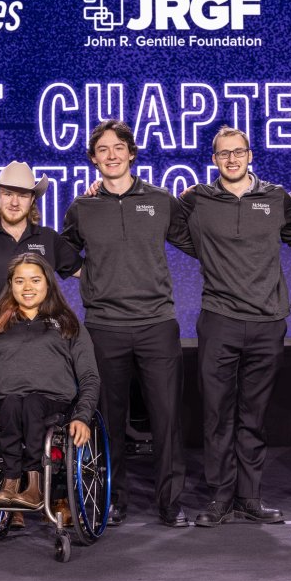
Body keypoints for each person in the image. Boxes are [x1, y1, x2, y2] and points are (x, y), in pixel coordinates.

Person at [62, 119, 194, 528]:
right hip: (105, 327)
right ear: (93, 158)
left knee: (166, 419)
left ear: (132, 153)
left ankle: (170, 502)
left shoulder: (160, 200)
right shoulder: (82, 207)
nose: (112, 155)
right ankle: (112, 498)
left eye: (119, 147)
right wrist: (92, 276)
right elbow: (63, 254)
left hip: (157, 324)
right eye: (103, 149)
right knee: (109, 420)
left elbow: (197, 240)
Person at [176, 126, 291, 528]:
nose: (231, 159)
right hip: (219, 320)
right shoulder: (196, 199)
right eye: (223, 153)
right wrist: (209, 253)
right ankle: (220, 497)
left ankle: (250, 497)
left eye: (238, 152)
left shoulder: (276, 197)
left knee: (253, 415)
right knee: (217, 414)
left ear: (250, 155)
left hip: (267, 322)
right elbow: (169, 226)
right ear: (214, 159)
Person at [0, 254, 99, 513]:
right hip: (10, 405)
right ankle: (11, 483)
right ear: (10, 284)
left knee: (32, 403)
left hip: (55, 404)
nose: (27, 287)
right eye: (20, 281)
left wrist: (83, 416)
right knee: (13, 403)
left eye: (35, 280)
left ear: (47, 283)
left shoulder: (68, 324)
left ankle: (35, 484)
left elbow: (89, 376)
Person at [0, 160, 82, 325]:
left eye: (22, 195)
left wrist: (98, 199)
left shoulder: (48, 238)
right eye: (8, 194)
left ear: (32, 199)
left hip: (41, 336)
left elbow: (89, 273)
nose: (15, 202)